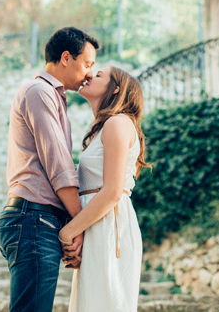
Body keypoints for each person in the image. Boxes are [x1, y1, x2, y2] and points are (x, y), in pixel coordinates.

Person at [0, 27, 99, 312]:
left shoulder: (51, 96)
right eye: (87, 64)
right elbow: (59, 166)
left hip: (37, 221)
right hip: (33, 220)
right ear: (66, 57)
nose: (90, 74)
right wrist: (78, 226)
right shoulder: (38, 91)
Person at [58, 66, 151, 312]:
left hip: (110, 227)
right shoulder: (105, 128)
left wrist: (67, 233)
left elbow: (112, 192)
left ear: (116, 88)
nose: (89, 75)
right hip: (98, 225)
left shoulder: (117, 124)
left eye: (98, 75)